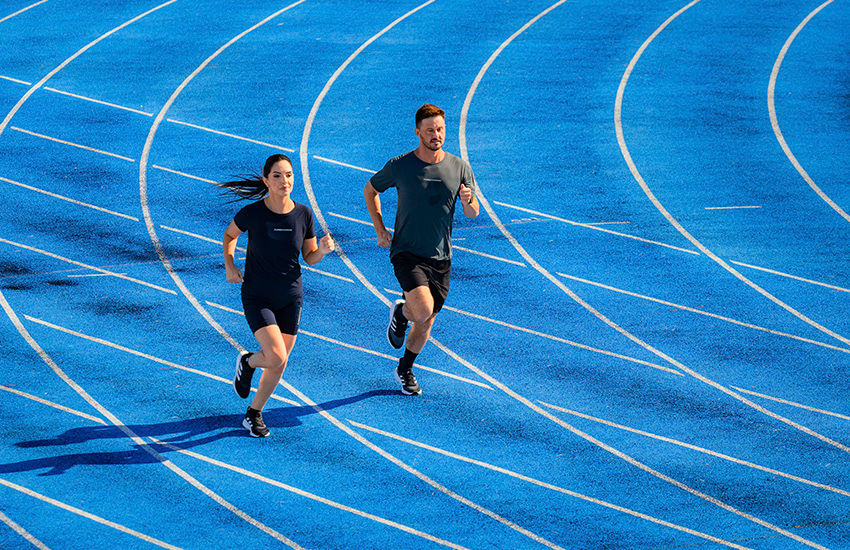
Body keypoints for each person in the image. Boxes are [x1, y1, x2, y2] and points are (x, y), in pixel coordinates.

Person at [363, 104, 479, 395]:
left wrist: (467, 200)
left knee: (425, 322)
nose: (436, 135)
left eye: (440, 129)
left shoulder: (459, 167)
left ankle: (405, 367)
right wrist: (379, 228)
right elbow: (370, 189)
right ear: (418, 132)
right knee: (423, 309)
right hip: (406, 252)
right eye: (429, 130)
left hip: (440, 257)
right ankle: (404, 313)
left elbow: (473, 212)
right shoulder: (401, 166)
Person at [221, 153, 334, 437]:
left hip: (290, 297)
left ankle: (254, 413)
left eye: (289, 175)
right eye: (277, 176)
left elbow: (309, 256)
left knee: (279, 361)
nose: (285, 181)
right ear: (266, 180)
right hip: (257, 295)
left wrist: (321, 251)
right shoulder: (253, 213)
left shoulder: (303, 214)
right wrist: (230, 264)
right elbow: (230, 235)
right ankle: (248, 362)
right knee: (274, 355)